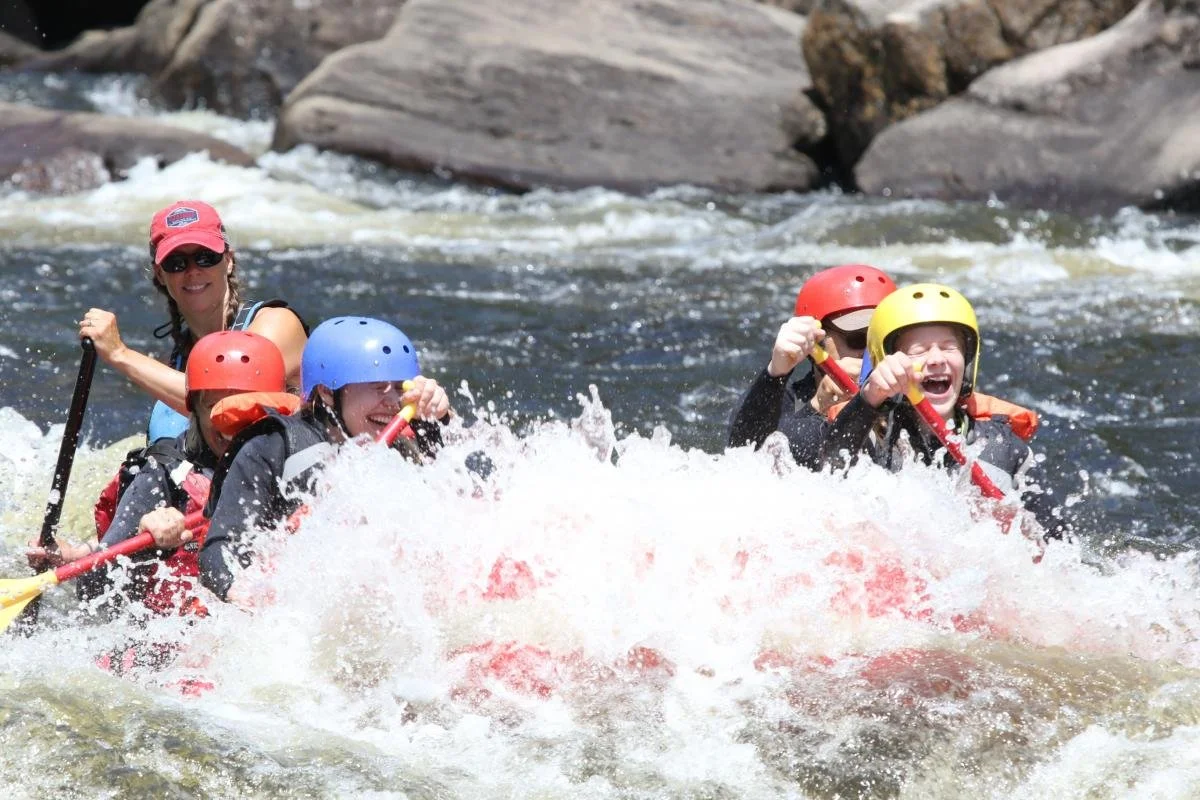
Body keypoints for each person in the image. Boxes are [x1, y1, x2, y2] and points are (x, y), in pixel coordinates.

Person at [27, 331, 295, 617]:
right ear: (193, 410)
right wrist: (148, 545)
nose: (229, 423)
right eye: (213, 406)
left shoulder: (299, 462)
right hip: (177, 640)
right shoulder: (163, 476)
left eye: (245, 407)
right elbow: (93, 591)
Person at [196, 316, 453, 606]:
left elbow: (458, 502)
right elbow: (219, 550)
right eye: (378, 385)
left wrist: (437, 420)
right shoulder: (272, 446)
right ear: (328, 392)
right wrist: (244, 593)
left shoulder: (400, 448)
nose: (392, 401)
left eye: (398, 387)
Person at [819, 283, 1067, 539]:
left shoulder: (1005, 450)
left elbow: (1061, 552)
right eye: (919, 351)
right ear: (888, 363)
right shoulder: (868, 439)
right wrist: (870, 396)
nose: (937, 359)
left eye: (949, 347)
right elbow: (830, 472)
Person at [76, 200, 309, 442]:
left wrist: (120, 354)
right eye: (176, 263)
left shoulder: (276, 324)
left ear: (228, 261)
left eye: (205, 257)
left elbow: (223, 409)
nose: (192, 271)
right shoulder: (178, 359)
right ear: (160, 274)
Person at [727, 264, 896, 468]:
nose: (873, 353)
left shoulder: (913, 399)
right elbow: (746, 457)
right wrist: (816, 406)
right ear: (816, 342)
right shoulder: (781, 403)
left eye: (884, 340)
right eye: (860, 339)